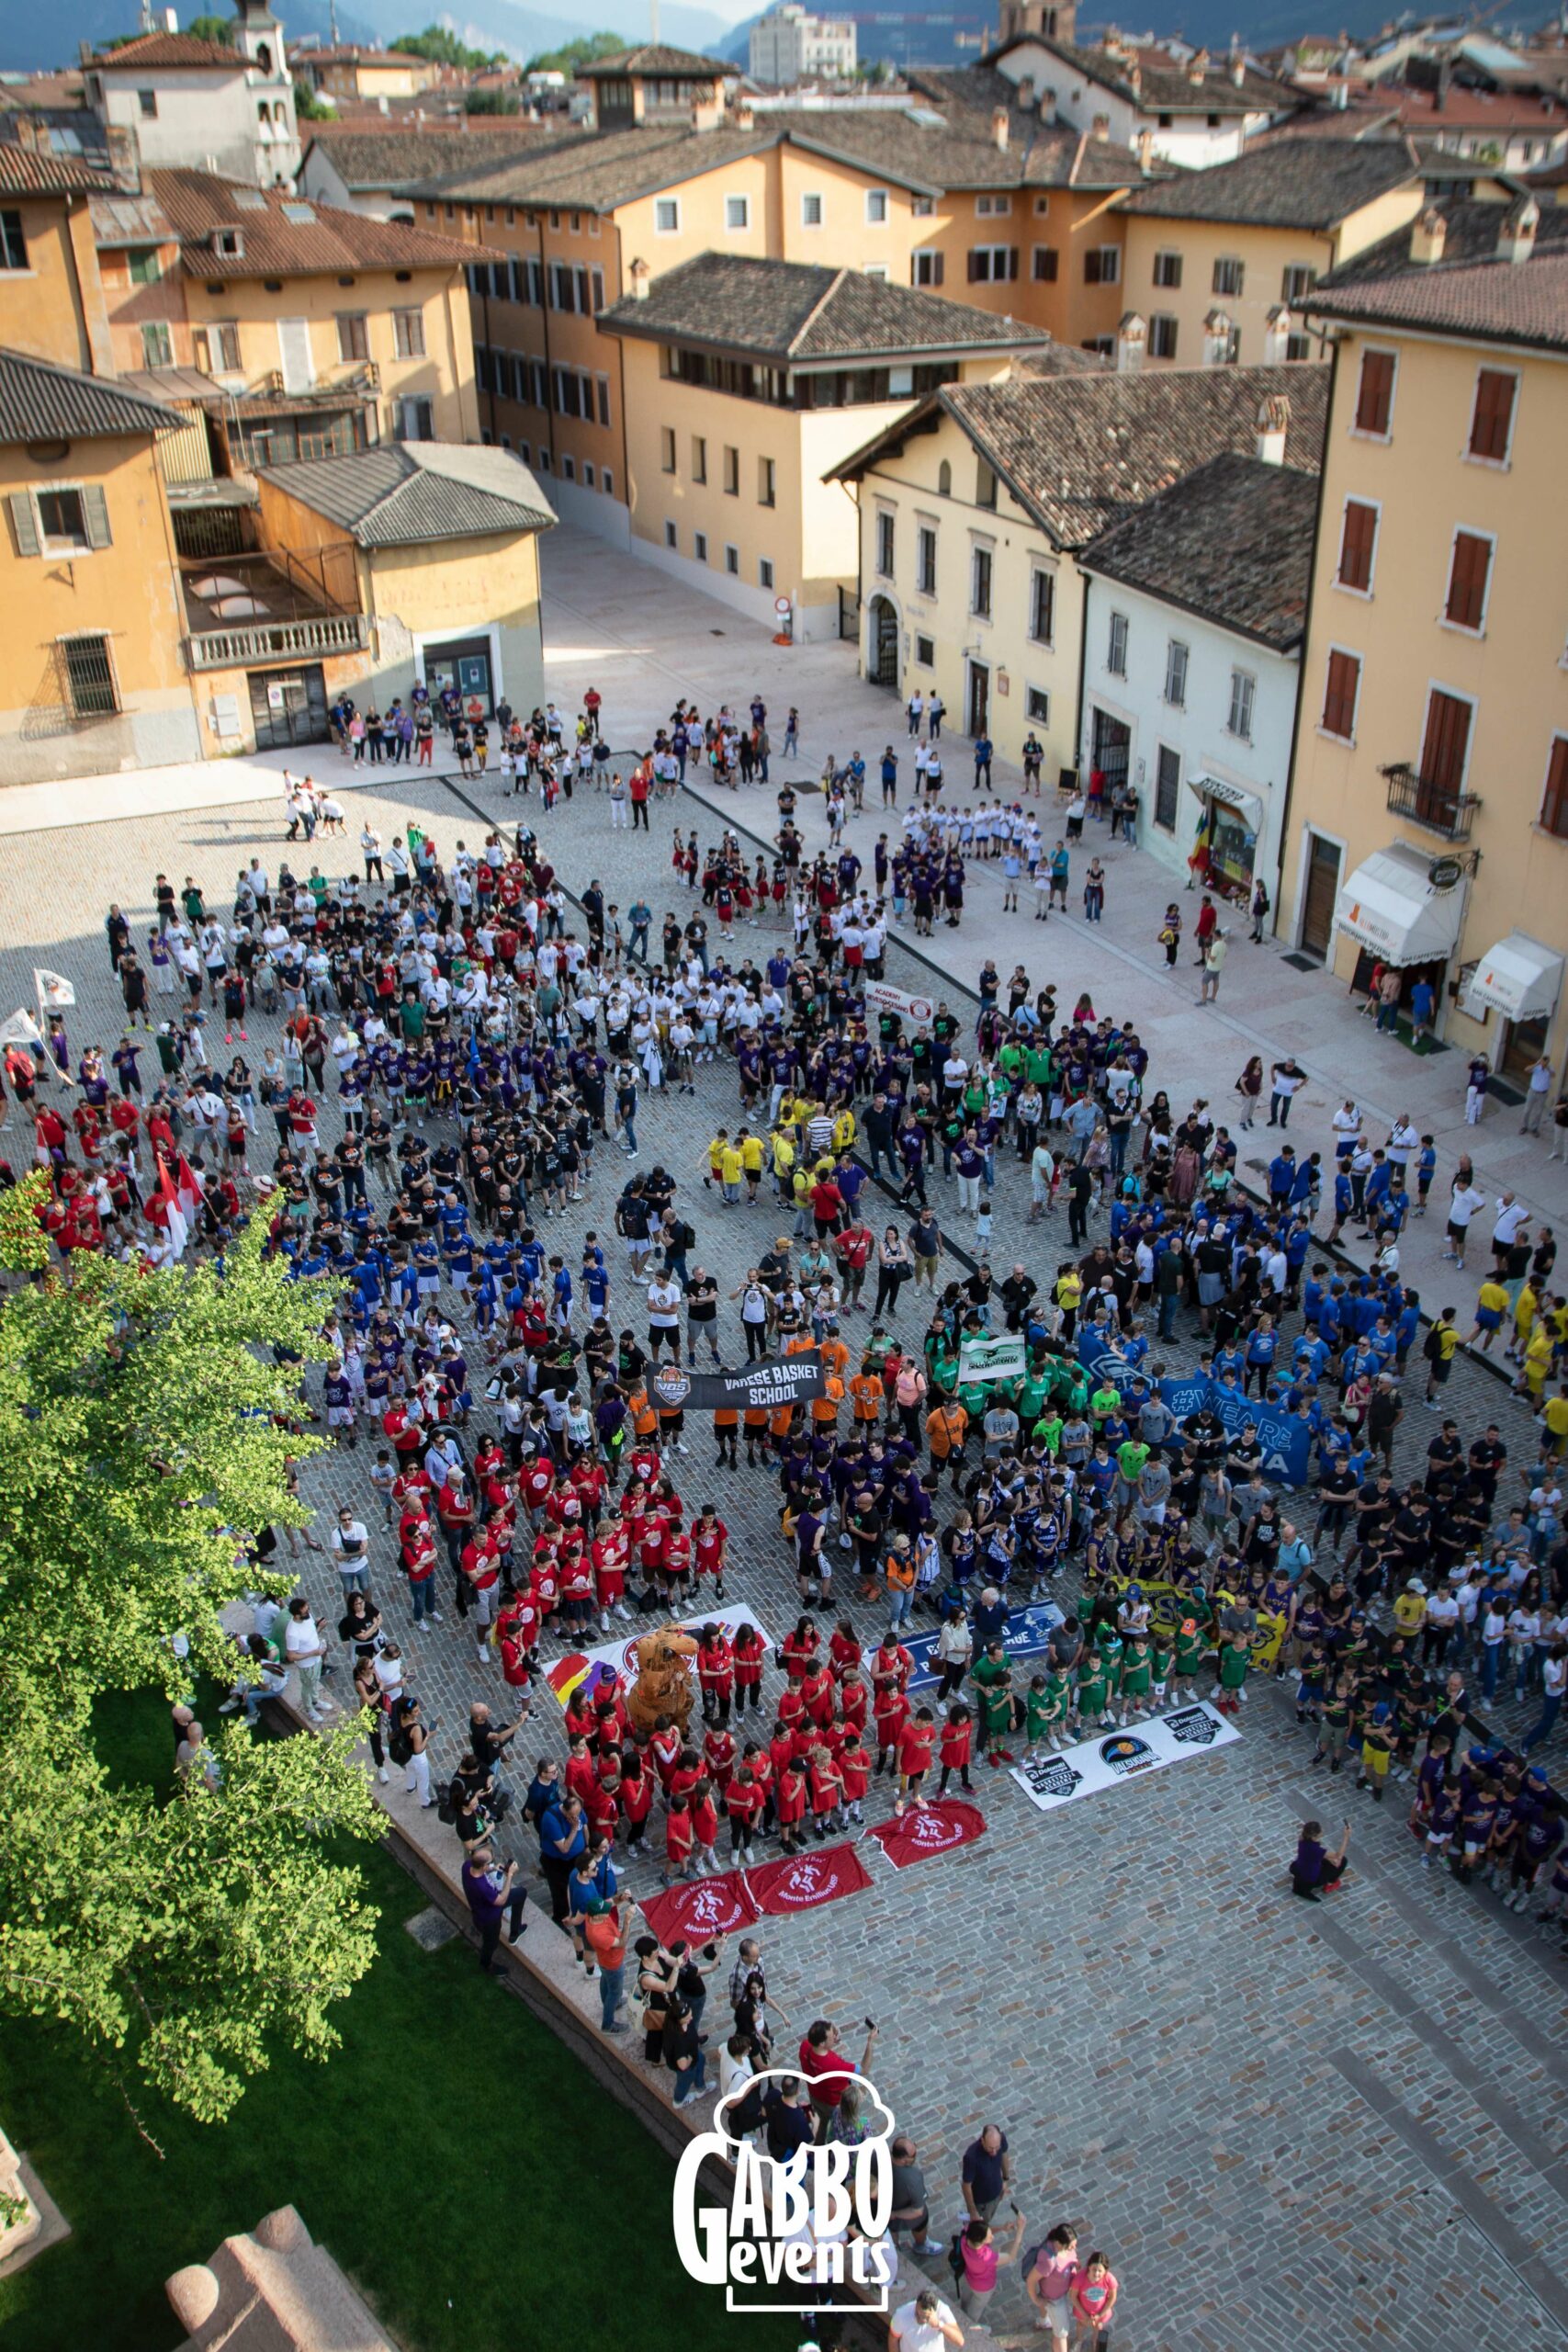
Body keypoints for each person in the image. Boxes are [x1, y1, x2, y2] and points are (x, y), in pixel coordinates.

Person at [460, 1844, 526, 1972]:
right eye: (490, 1862)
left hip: (490, 1905)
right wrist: (510, 1876)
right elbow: (501, 1901)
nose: (492, 1863)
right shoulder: (482, 1887)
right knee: (491, 1944)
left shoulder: (467, 1866)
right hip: (490, 1917)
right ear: (483, 1866)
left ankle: (515, 1930)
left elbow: (483, 1869)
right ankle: (486, 1964)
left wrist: (493, 1868)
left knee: (521, 1893)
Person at [956, 2208, 1026, 2321]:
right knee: (973, 2313)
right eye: (989, 2238)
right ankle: (967, 2325)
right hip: (983, 2288)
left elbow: (981, 2231)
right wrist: (1020, 2231)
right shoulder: (986, 2257)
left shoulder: (966, 2237)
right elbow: (1011, 2257)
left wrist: (1002, 2228)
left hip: (969, 2278)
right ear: (981, 2241)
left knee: (965, 2301)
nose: (992, 2237)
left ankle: (960, 2313)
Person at [961, 2123, 1012, 2223]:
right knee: (978, 2229)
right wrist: (973, 2211)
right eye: (990, 2148)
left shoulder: (1001, 2140)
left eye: (996, 2147)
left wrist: (1005, 2179)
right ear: (982, 2140)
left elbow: (1004, 2155)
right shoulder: (971, 2157)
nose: (994, 2152)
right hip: (982, 2203)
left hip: (997, 2191)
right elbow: (966, 2185)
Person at [1290, 1817, 1350, 1901]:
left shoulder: (1302, 1838)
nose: (1323, 1830)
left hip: (1300, 1867)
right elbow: (1338, 1855)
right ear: (1314, 1837)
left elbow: (1317, 1855)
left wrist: (1329, 1860)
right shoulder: (1315, 1850)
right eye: (1320, 1830)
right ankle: (1331, 1882)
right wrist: (1346, 1836)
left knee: (1330, 1861)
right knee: (1343, 1861)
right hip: (1311, 1878)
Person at [890, 2289, 964, 2352]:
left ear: (934, 2312)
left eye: (925, 2317)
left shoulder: (942, 2310)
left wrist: (939, 2324)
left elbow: (960, 2341)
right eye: (917, 2313)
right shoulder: (901, 2314)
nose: (919, 2319)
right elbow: (893, 2339)